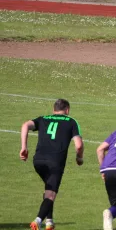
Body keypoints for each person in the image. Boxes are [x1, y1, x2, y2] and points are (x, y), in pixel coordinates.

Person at [20, 98, 84, 230]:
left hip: (38, 161)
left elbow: (25, 125)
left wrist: (24, 147)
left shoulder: (43, 118)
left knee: (48, 188)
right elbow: (78, 145)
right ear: (67, 110)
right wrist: (79, 158)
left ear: (53, 109)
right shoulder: (71, 121)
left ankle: (49, 221)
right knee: (51, 194)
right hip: (55, 162)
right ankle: (37, 221)